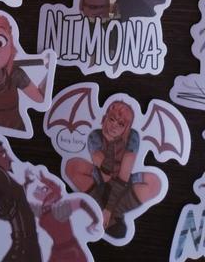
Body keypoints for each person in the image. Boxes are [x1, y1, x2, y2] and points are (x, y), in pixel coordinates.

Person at [66, 101, 160, 240]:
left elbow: (123, 176)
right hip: (102, 181)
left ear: (127, 127)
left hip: (124, 181)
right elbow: (106, 175)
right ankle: (106, 216)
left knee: (155, 182)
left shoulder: (132, 137)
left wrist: (109, 209)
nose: (114, 125)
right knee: (72, 166)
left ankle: (108, 215)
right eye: (112, 119)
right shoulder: (95, 136)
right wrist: (109, 142)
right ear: (106, 118)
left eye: (121, 124)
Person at [24, 168, 99, 261]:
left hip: (71, 251)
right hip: (57, 251)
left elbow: (82, 203)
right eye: (38, 189)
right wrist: (26, 183)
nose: (39, 190)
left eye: (44, 189)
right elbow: (27, 204)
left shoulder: (60, 209)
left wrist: (95, 220)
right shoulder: (42, 211)